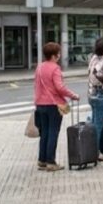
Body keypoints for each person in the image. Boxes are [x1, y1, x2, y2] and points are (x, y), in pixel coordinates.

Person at [33, 42, 79, 172]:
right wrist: (73, 95)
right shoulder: (55, 68)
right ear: (54, 55)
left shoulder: (40, 67)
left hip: (40, 105)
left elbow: (36, 86)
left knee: (45, 133)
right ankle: (51, 162)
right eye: (58, 53)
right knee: (53, 131)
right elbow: (60, 87)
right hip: (53, 105)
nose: (59, 55)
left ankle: (42, 160)